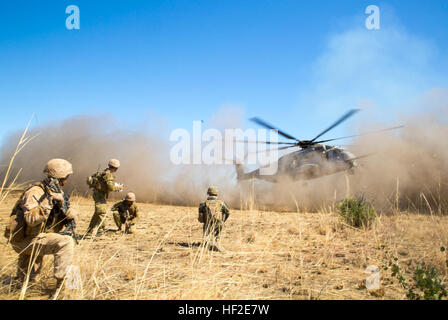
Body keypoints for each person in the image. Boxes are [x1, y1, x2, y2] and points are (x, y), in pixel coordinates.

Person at [4, 159, 77, 291]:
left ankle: (22, 285)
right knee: (66, 242)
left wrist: (68, 212)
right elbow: (31, 220)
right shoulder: (36, 192)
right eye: (67, 176)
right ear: (62, 177)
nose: (67, 179)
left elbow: (58, 216)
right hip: (25, 240)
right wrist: (49, 201)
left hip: (34, 237)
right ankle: (68, 288)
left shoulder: (56, 191)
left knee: (27, 283)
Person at [86, 159, 123, 235]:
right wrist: (119, 187)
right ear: (116, 168)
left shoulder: (104, 172)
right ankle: (100, 231)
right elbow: (111, 187)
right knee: (102, 213)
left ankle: (90, 230)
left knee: (98, 213)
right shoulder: (108, 174)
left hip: (98, 194)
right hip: (100, 195)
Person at [198, 186, 230, 252]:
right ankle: (216, 243)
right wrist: (223, 221)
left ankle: (208, 244)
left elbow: (200, 216)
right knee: (217, 236)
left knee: (206, 238)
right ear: (216, 193)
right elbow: (227, 212)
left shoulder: (203, 204)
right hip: (219, 223)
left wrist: (204, 221)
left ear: (208, 193)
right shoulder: (221, 203)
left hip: (207, 224)